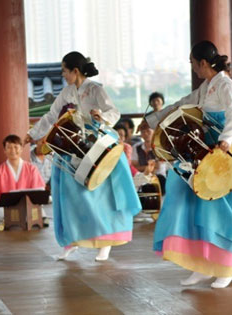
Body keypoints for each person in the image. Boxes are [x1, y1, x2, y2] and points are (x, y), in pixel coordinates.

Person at [146, 40, 232, 288]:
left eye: (193, 64)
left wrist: (226, 140)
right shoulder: (206, 87)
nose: (193, 69)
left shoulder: (226, 84)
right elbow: (181, 104)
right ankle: (202, 266)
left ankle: (226, 267)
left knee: (226, 214)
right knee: (196, 205)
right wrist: (152, 121)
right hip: (209, 152)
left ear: (203, 63)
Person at [24, 52, 141, 261]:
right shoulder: (67, 92)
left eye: (64, 71)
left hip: (97, 144)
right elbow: (51, 116)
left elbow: (113, 111)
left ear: (75, 71)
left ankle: (106, 242)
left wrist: (101, 116)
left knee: (101, 199)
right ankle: (71, 240)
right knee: (68, 197)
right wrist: (32, 134)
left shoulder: (95, 89)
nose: (63, 75)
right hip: (72, 146)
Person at [0, 135, 46, 224]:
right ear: (4, 150)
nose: (13, 150)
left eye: (16, 147)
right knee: (0, 212)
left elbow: (39, 190)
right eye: (9, 147)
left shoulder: (31, 169)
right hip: (7, 207)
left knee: (36, 211)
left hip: (28, 206)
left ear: (21, 149)